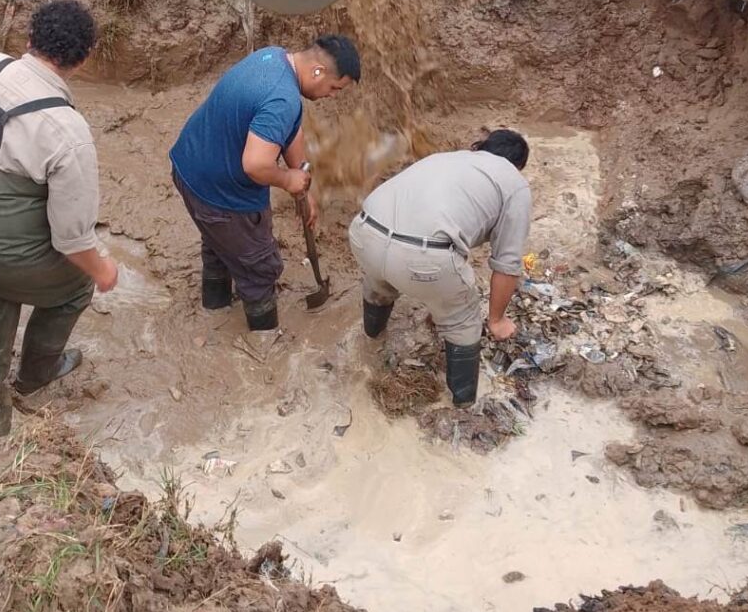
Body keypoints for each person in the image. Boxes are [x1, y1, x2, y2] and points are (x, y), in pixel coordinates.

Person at [0, 0, 118, 437]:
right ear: (84, 59)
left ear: (29, 39)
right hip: (3, 253)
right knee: (77, 284)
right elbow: (73, 239)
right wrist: (104, 271)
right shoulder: (67, 130)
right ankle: (37, 375)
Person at [170, 36, 361, 332]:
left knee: (219, 244)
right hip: (221, 194)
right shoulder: (281, 99)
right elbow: (256, 165)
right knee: (259, 267)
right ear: (318, 71)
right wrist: (287, 179)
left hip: (189, 169)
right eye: (334, 88)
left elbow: (290, 129)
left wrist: (303, 183)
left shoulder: (274, 58)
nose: (332, 95)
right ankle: (264, 341)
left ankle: (215, 308)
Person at [348, 129, 531, 407]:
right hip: (421, 257)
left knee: (379, 281)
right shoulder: (514, 183)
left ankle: (371, 339)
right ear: (518, 165)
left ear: (481, 148)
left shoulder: (446, 158)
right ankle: (462, 404)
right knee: (463, 319)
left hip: (364, 232)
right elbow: (507, 265)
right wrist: (496, 320)